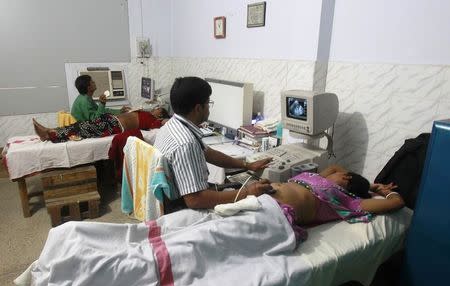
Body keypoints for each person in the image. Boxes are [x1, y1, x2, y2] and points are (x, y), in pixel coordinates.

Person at [154, 76, 273, 209]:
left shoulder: (172, 126)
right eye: (208, 103)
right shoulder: (186, 143)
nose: (209, 108)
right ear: (198, 108)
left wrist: (247, 165)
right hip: (183, 207)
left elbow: (208, 153)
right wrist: (247, 193)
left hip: (173, 199)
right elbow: (195, 200)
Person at [268, 164, 405, 227]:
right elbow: (335, 167)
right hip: (261, 195)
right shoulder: (318, 178)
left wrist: (385, 192)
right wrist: (370, 186)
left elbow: (396, 203)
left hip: (276, 211)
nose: (336, 173)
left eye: (345, 175)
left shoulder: (347, 201)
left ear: (346, 178)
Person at [32, 108, 170, 143]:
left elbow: (166, 123)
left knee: (83, 129)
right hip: (109, 119)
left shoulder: (154, 121)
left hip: (114, 126)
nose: (156, 107)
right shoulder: (145, 112)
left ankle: (50, 134)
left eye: (159, 108)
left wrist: (166, 120)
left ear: (160, 114)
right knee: (80, 125)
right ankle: (51, 131)